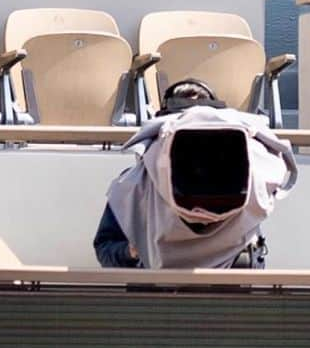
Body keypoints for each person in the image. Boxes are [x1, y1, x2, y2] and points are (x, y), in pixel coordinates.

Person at [94, 78, 223, 269]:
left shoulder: (236, 179)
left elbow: (254, 257)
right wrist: (132, 251)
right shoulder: (135, 182)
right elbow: (105, 248)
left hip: (218, 293)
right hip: (154, 293)